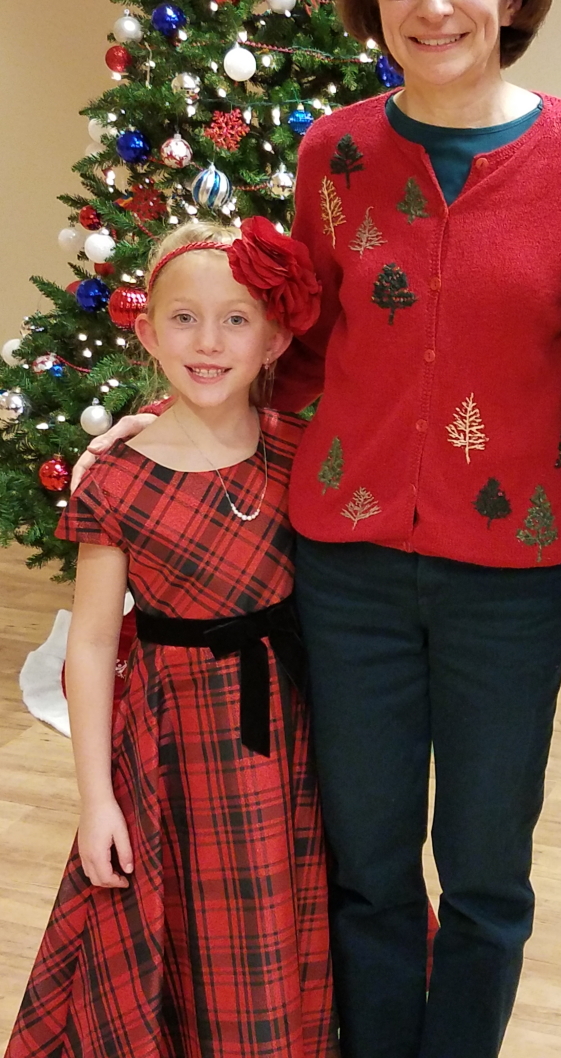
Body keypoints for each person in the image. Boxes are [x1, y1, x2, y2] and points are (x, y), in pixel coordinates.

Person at [73, 0, 561, 1058]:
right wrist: (157, 422)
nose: (433, 3)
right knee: (367, 864)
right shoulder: (335, 151)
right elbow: (295, 349)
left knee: (486, 872)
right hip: (346, 572)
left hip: (512, 574)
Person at [6, 219, 337, 1058]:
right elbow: (88, 647)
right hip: (171, 749)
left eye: (236, 319)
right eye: (183, 318)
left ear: (275, 338)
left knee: (283, 920)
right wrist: (95, 801)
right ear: (147, 330)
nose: (209, 341)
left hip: (292, 742)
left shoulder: (300, 447)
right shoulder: (115, 477)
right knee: (185, 931)